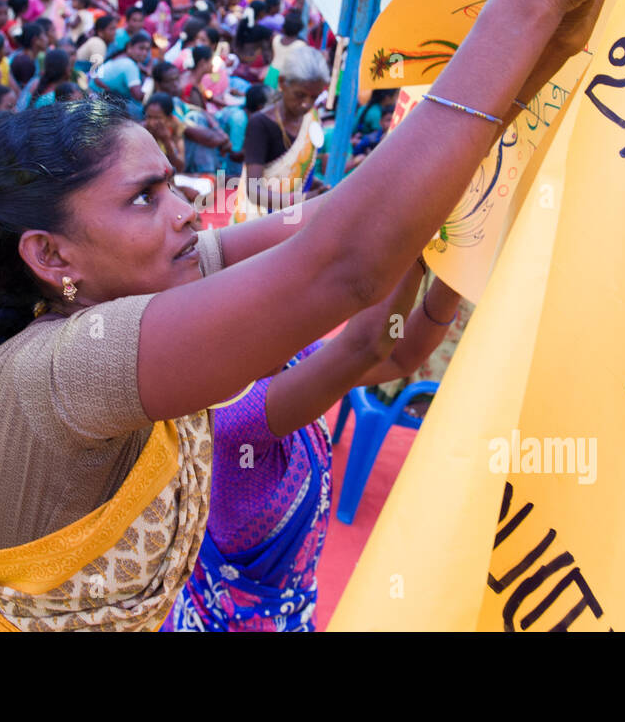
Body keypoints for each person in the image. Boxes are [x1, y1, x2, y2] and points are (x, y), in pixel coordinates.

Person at [0, 0, 625, 632]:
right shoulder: (64, 366)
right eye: (145, 198)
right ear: (50, 254)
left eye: (173, 184)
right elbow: (346, 264)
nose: (188, 210)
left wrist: (543, 45)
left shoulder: (132, 285)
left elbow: (334, 216)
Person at [167, 263, 462, 631]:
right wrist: (417, 248)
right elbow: (367, 347)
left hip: (291, 611)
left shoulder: (290, 362)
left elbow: (399, 355)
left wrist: (455, 268)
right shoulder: (235, 417)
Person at [233, 46, 329, 222]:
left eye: (314, 97)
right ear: (283, 82)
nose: (306, 104)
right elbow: (254, 191)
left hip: (293, 218)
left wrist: (315, 185)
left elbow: (295, 170)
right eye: (300, 95)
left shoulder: (311, 117)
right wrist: (302, 200)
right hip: (258, 221)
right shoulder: (261, 123)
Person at [91, 31, 151, 120]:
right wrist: (150, 82)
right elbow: (139, 96)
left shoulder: (121, 57)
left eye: (147, 50)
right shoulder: (129, 65)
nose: (144, 53)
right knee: (140, 111)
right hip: (98, 99)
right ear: (129, 47)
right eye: (141, 48)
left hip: (97, 94)